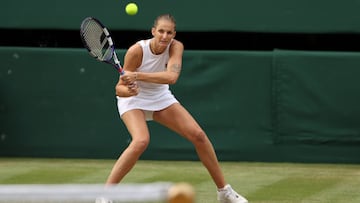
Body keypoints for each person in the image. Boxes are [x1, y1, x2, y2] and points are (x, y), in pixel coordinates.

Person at [106, 14, 248, 203]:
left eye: (169, 32)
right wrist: (130, 91)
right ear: (153, 31)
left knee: (199, 136)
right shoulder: (136, 51)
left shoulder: (176, 46)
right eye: (161, 31)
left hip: (160, 96)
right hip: (134, 101)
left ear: (174, 34)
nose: (165, 36)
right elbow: (119, 88)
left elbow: (171, 77)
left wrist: (138, 76)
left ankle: (224, 192)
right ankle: (105, 195)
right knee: (141, 141)